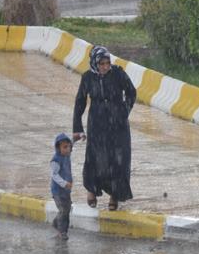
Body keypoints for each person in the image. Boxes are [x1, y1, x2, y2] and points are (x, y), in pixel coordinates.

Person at [73, 46, 137, 210]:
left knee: (118, 160)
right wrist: (77, 127)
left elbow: (131, 91)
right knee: (95, 158)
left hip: (118, 125)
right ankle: (91, 190)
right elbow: (80, 101)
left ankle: (114, 196)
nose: (105, 67)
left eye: (107, 63)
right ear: (95, 63)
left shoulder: (118, 73)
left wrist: (124, 111)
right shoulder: (88, 78)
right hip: (97, 124)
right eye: (101, 63)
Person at [49, 133, 74, 240]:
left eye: (69, 147)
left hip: (66, 190)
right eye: (64, 147)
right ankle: (61, 232)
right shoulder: (56, 160)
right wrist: (64, 183)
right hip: (57, 191)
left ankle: (57, 223)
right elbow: (54, 175)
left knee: (67, 210)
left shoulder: (67, 155)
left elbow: (72, 141)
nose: (67, 149)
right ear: (58, 148)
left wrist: (77, 137)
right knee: (63, 210)